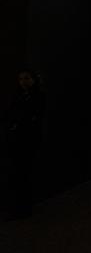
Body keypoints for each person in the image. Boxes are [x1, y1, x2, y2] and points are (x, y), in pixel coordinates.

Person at [3, 68, 45, 220]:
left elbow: (33, 117)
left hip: (27, 141)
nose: (23, 82)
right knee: (17, 175)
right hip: (17, 140)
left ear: (33, 80)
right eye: (21, 79)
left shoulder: (37, 97)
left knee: (23, 174)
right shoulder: (18, 96)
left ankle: (23, 208)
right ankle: (18, 207)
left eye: (26, 78)